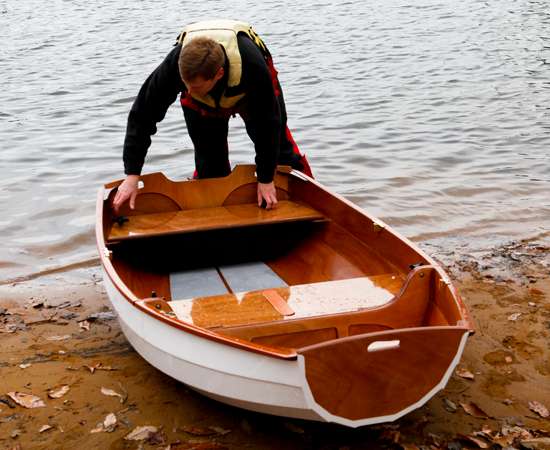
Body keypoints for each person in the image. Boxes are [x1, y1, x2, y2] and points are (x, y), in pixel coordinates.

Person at [113, 19, 312, 213]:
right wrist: (132, 174)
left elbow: (268, 125)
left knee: (281, 153)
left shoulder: (253, 67)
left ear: (218, 74)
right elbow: (142, 117)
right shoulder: (174, 67)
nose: (189, 91)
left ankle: (304, 200)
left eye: (195, 87)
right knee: (210, 166)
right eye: (185, 85)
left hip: (249, 92)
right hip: (204, 104)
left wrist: (266, 178)